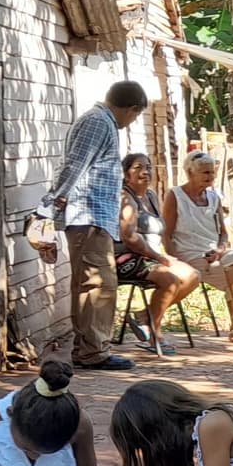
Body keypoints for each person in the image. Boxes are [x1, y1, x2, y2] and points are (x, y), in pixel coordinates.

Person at [48, 81, 147, 371]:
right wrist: (54, 202)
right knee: (97, 285)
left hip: (94, 217)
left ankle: (89, 348)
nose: (132, 122)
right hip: (88, 217)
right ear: (131, 109)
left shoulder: (100, 122)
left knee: (94, 284)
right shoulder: (97, 123)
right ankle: (94, 352)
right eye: (135, 116)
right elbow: (74, 165)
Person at [162, 149, 233, 345]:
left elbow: (223, 233)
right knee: (231, 276)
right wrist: (173, 261)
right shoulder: (175, 195)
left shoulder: (214, 198)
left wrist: (220, 250)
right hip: (186, 252)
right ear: (190, 173)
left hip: (211, 252)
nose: (211, 176)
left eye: (212, 172)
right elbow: (166, 233)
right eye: (205, 173)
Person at [117, 154, 203, 355]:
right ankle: (155, 332)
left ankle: (144, 317)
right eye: (138, 167)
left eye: (148, 167)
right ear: (126, 174)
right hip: (127, 257)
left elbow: (161, 231)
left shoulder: (151, 196)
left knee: (193, 276)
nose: (145, 172)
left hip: (151, 257)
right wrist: (158, 257)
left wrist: (165, 255)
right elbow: (129, 237)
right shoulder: (124, 198)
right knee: (170, 281)